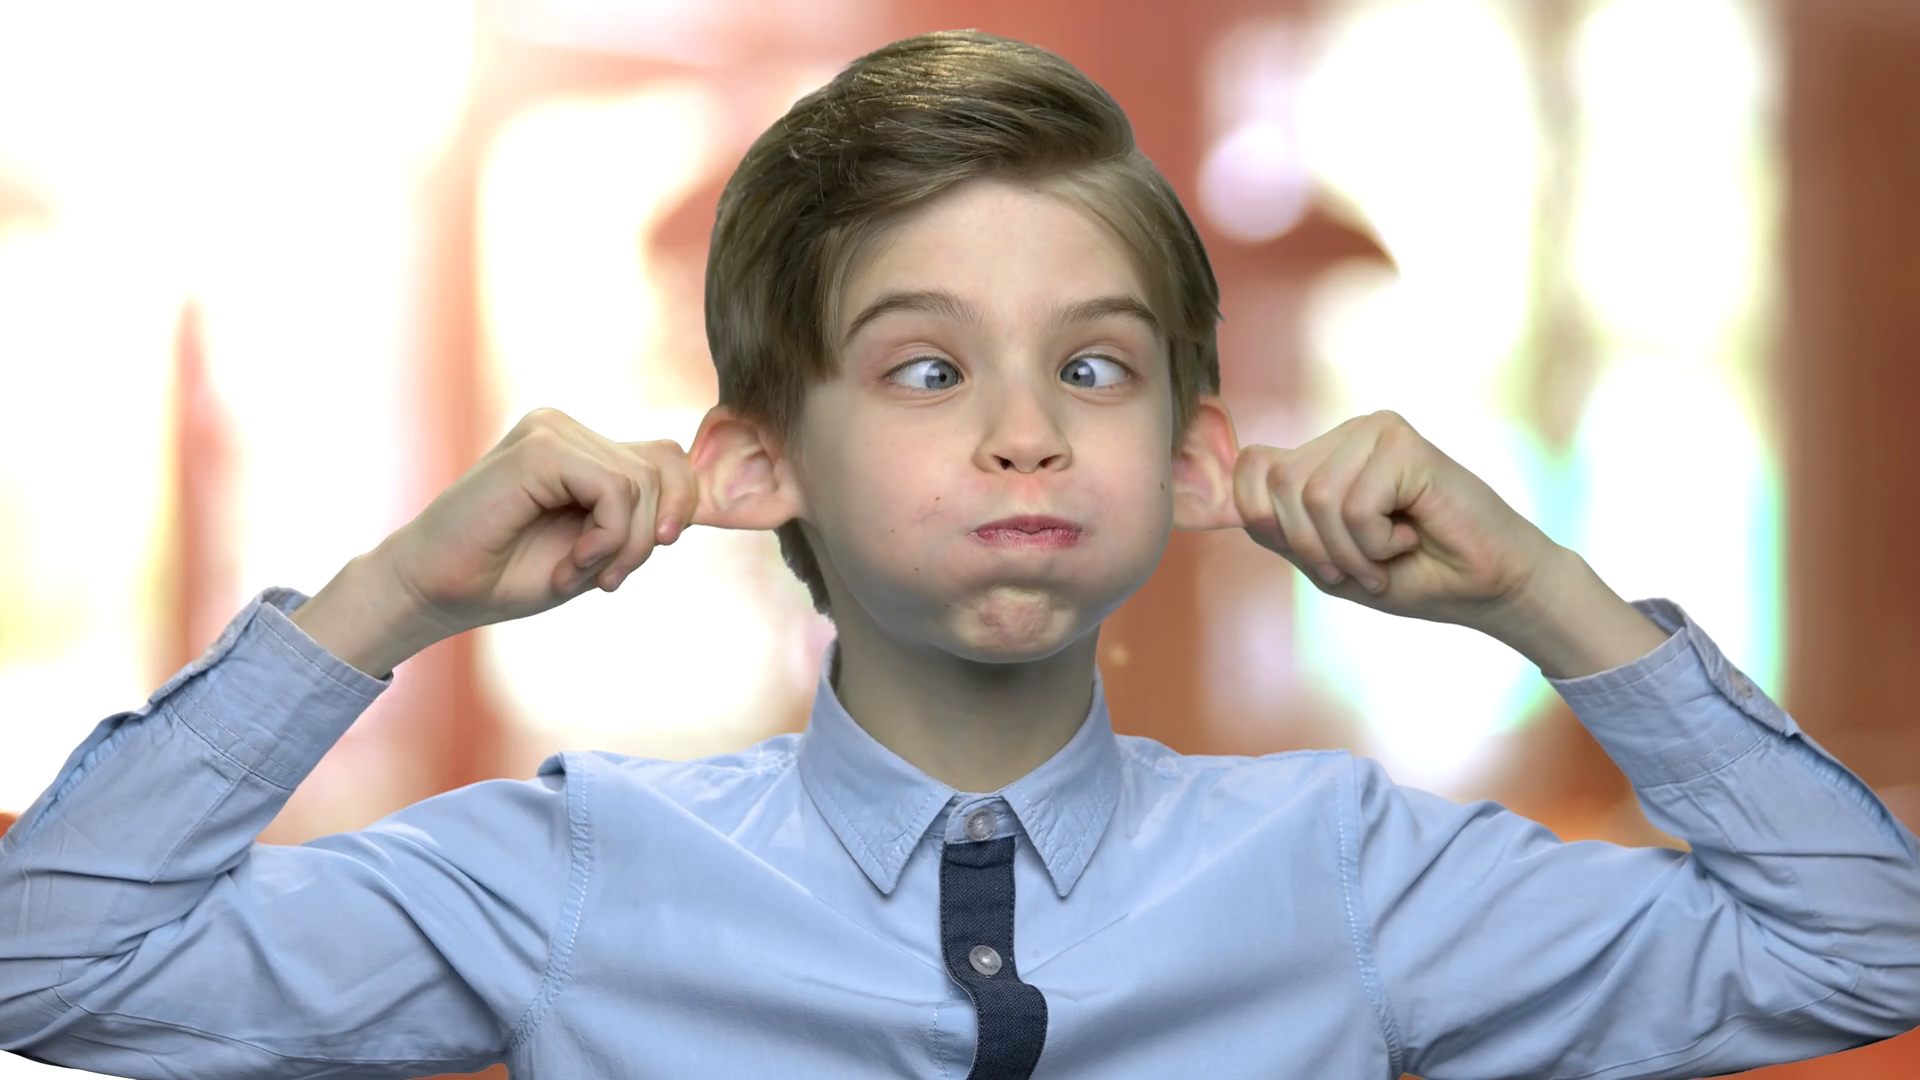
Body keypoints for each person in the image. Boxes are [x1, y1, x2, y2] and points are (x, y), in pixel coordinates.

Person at [2, 29, 1917, 1080]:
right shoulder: (571, 865)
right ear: (760, 466)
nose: (1024, 427)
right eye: (925, 366)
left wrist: (1541, 601)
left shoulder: (1351, 872)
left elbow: (1872, 949)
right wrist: (389, 598)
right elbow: (47, 973)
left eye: (1095, 367)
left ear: (1190, 459)